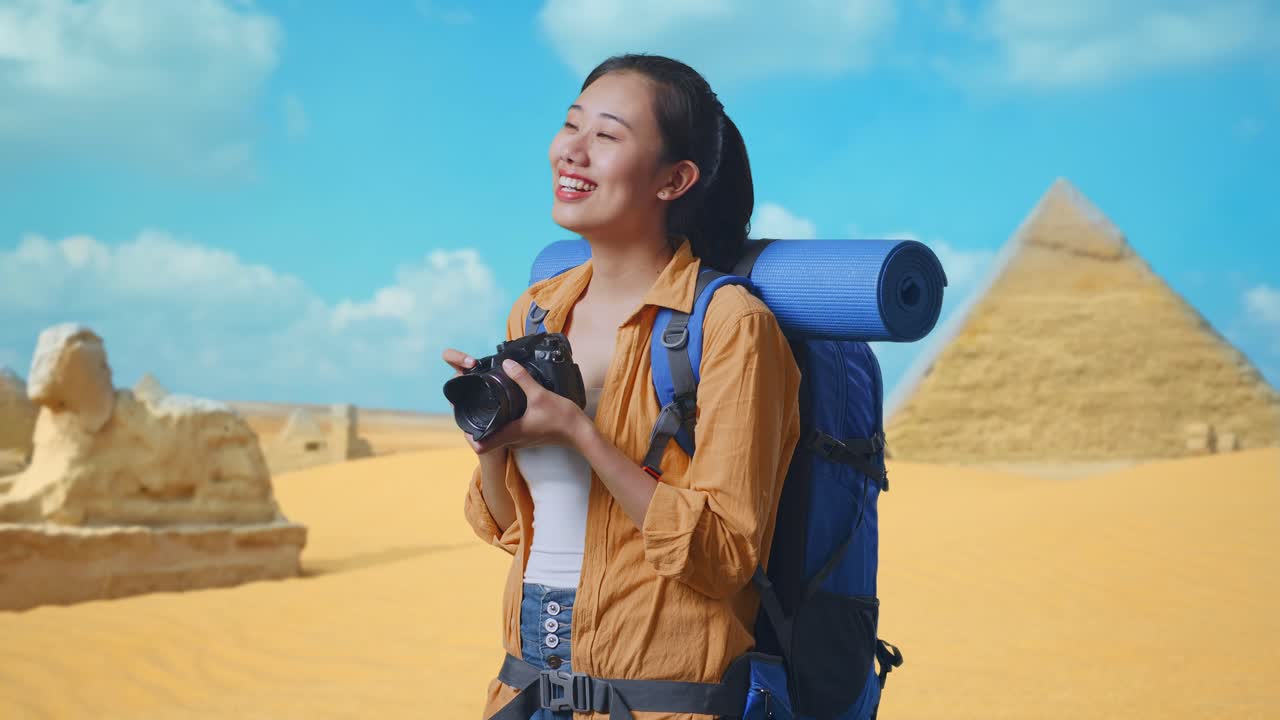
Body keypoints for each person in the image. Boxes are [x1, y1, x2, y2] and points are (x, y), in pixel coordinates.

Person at [443, 53, 801, 720]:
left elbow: (724, 557)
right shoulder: (539, 311)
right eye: (570, 125)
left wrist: (580, 434)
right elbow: (508, 529)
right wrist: (493, 438)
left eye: (606, 137)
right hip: (526, 693)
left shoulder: (728, 324)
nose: (570, 152)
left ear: (674, 179)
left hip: (664, 701)